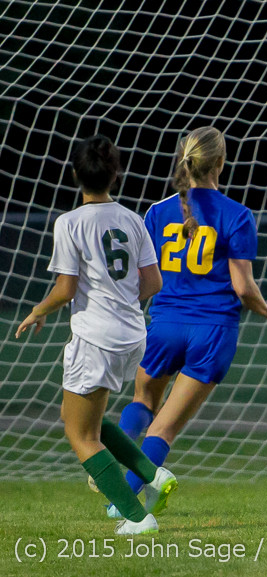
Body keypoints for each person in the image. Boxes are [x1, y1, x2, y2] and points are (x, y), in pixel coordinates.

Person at [105, 126, 267, 518]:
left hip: (164, 326)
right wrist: (265, 308)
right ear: (220, 162)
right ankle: (124, 500)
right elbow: (242, 285)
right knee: (164, 429)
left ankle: (118, 462)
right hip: (212, 333)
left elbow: (143, 282)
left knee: (142, 401)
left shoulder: (156, 212)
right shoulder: (237, 215)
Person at [15, 135, 177, 535]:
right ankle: (151, 475)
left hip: (96, 338)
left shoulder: (69, 223)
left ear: (75, 174)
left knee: (78, 432)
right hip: (132, 334)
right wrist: (123, 303)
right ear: (115, 174)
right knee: (83, 418)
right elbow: (153, 281)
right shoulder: (132, 219)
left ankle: (136, 518)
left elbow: (66, 288)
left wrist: (38, 310)